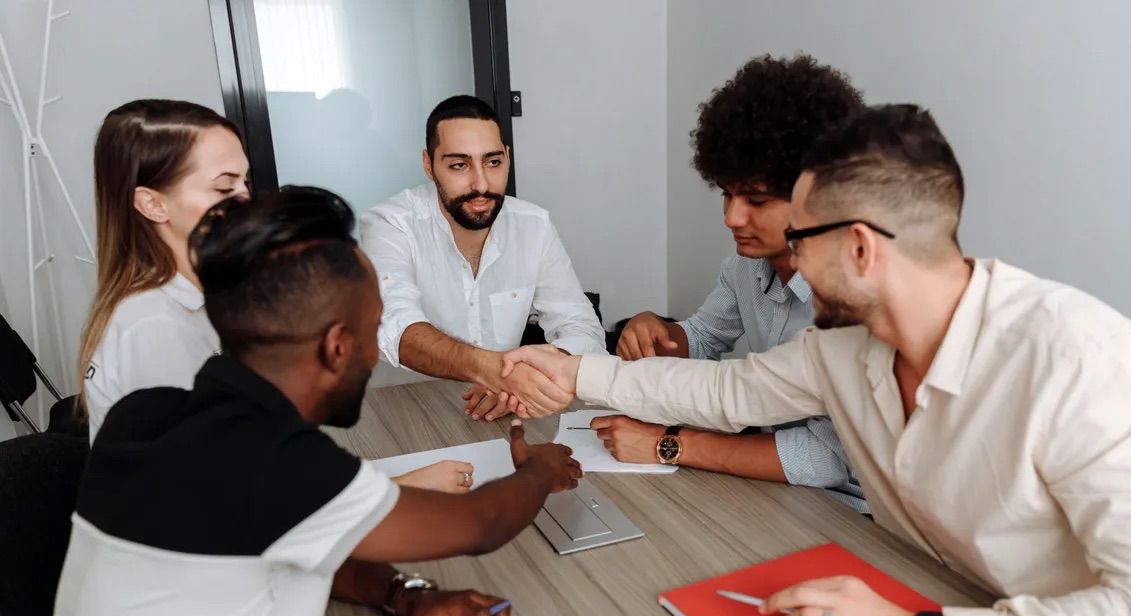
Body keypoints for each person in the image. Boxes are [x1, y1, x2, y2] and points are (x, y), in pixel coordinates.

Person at [500, 105, 1131, 616]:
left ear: (860, 248)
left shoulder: (1087, 363)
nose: (788, 257)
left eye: (799, 238)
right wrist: (575, 373)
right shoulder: (849, 350)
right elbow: (726, 393)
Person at [3, 187, 582, 616]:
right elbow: (481, 523)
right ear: (338, 348)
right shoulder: (273, 465)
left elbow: (279, 545)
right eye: (373, 337)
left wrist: (403, 594)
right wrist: (539, 467)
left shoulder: (153, 414)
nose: (375, 356)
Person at [78, 100, 470, 491]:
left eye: (243, 183)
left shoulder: (208, 295)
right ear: (152, 204)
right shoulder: (153, 326)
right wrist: (397, 490)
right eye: (223, 186)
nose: (245, 201)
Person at [604, 55, 868, 513]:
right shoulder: (745, 266)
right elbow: (705, 337)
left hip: (850, 513)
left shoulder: (854, 297)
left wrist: (666, 444)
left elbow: (823, 460)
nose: (731, 217)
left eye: (757, 200)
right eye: (727, 193)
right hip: (772, 486)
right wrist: (658, 332)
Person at [361, 94, 606, 423]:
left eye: (493, 162)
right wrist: (493, 371)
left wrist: (530, 375)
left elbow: (582, 327)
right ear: (428, 164)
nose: (481, 184)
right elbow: (394, 324)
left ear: (507, 157)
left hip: (499, 416)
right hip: (401, 416)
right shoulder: (390, 224)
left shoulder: (534, 225)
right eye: (459, 165)